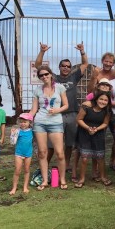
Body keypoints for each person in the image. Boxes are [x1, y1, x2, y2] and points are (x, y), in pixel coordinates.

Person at [35, 41, 89, 175]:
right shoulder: (53, 78)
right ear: (59, 67)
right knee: (51, 144)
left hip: (71, 114)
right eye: (63, 66)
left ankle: (65, 165)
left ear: (70, 68)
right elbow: (38, 66)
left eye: (68, 66)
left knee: (69, 143)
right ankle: (45, 166)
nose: (66, 68)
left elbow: (85, 64)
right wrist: (42, 52)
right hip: (55, 115)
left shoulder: (74, 76)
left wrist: (82, 51)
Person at [29, 65, 69, 190]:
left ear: (51, 74)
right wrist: (24, 119)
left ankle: (62, 179)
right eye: (41, 75)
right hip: (40, 122)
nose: (44, 76)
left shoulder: (60, 88)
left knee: (60, 153)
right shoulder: (37, 90)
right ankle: (45, 180)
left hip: (56, 123)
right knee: (42, 153)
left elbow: (66, 105)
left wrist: (57, 110)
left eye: (46, 74)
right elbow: (34, 109)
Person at [75, 91, 112, 188]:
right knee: (84, 158)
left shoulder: (107, 111)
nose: (103, 102)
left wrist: (96, 129)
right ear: (96, 99)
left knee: (100, 157)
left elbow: (105, 123)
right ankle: (82, 179)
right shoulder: (86, 107)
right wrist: (88, 128)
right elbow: (79, 119)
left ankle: (103, 177)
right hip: (84, 133)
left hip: (98, 134)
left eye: (105, 100)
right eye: (101, 99)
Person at [9, 113, 34, 195]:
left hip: (28, 154)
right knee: (17, 171)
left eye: (25, 122)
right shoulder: (18, 131)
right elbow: (12, 142)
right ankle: (14, 188)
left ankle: (25, 187)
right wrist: (12, 134)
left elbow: (36, 142)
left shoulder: (32, 131)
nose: (23, 123)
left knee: (27, 170)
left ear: (29, 122)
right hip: (19, 153)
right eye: (21, 122)